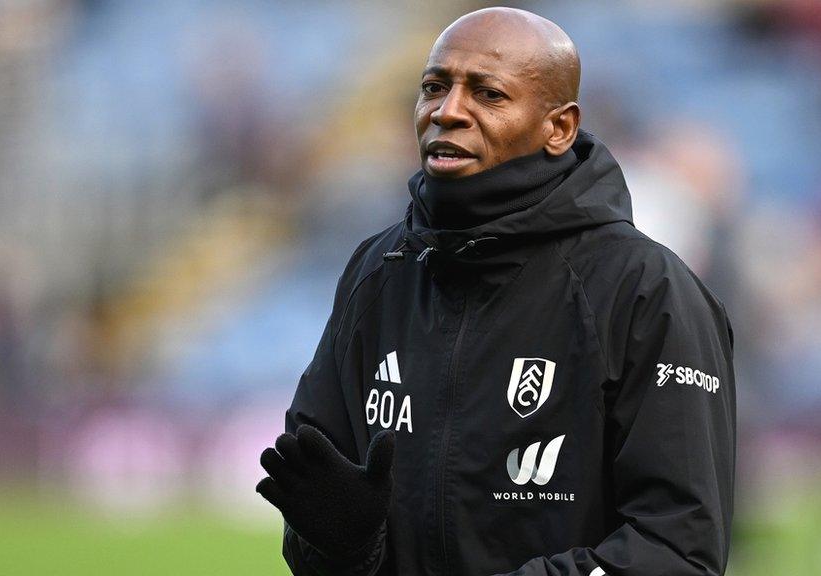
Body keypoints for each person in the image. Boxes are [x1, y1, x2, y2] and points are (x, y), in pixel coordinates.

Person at [256, 7, 736, 576]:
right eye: (434, 87)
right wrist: (342, 548)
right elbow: (315, 510)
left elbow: (676, 552)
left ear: (558, 128)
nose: (447, 111)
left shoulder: (645, 292)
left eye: (488, 95)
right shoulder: (377, 273)